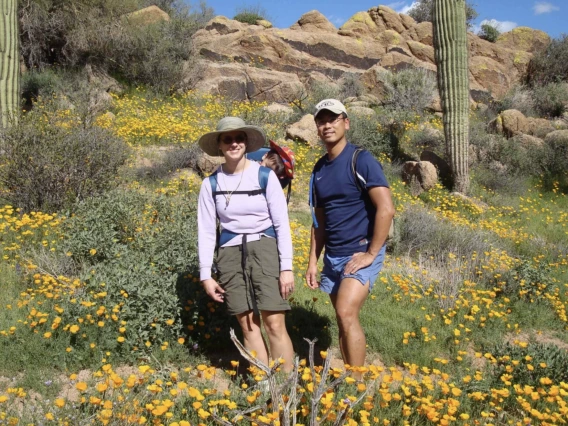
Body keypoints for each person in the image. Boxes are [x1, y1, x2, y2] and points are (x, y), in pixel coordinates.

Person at [305, 99, 395, 378]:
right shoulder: (319, 169)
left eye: (333, 119)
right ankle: (349, 374)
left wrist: (371, 252)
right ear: (317, 128)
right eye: (322, 120)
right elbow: (318, 221)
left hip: (360, 252)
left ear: (346, 123)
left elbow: (386, 208)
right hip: (333, 255)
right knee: (343, 319)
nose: (327, 125)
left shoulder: (361, 159)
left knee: (345, 312)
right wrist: (312, 262)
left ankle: (356, 383)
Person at [197, 117, 295, 373]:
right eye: (227, 139)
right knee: (248, 325)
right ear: (219, 145)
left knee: (274, 322)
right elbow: (207, 230)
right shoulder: (210, 184)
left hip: (264, 249)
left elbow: (282, 224)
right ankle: (264, 387)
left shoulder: (264, 176)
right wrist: (206, 275)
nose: (233, 143)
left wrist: (286, 268)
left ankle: (287, 388)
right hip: (229, 253)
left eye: (238, 138)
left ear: (246, 142)